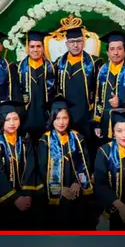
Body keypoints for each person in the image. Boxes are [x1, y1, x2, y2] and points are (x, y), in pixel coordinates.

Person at [0, 100, 40, 230]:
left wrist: (27, 194)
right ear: (1, 121)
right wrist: (15, 199)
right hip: (3, 202)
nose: (12, 123)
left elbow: (31, 168)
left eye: (15, 119)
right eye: (7, 120)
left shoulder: (25, 141)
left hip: (25, 199)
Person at [37, 96, 95, 230]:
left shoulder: (78, 138)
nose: (61, 122)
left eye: (65, 118)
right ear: (52, 119)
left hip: (75, 190)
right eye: (57, 118)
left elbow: (85, 163)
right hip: (53, 192)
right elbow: (42, 168)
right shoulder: (45, 140)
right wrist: (60, 188)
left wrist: (77, 182)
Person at [55, 24, 102, 145]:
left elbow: (100, 91)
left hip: (87, 116)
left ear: (84, 42)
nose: (75, 45)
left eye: (79, 41)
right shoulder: (58, 64)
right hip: (65, 117)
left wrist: (96, 118)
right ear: (66, 44)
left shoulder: (95, 63)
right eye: (71, 42)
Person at [18, 30, 57, 148]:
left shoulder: (52, 68)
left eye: (38, 46)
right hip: (26, 120)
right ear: (27, 48)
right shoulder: (18, 69)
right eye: (32, 46)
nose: (35, 50)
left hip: (46, 119)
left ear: (43, 48)